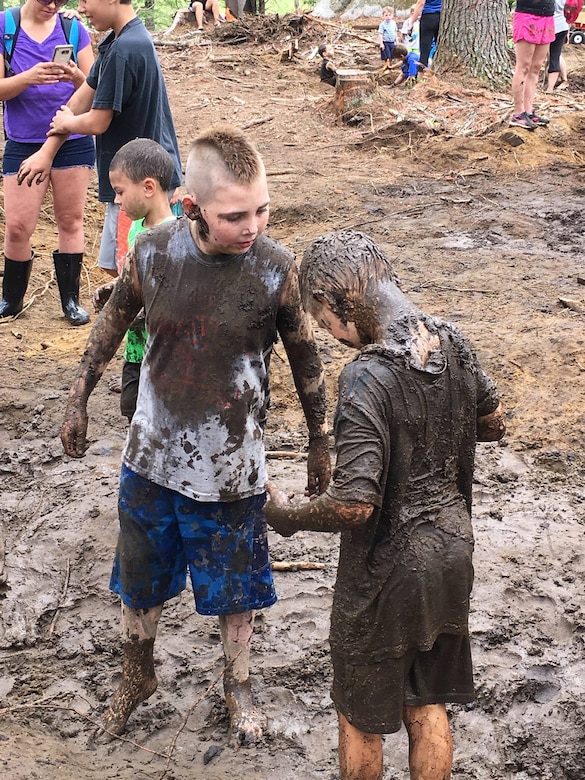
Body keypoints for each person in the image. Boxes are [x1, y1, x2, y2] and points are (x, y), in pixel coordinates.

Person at [59, 124, 331, 744]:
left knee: (237, 588)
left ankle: (237, 684)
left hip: (233, 465)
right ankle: (137, 675)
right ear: (191, 209)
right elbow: (112, 319)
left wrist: (320, 439)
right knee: (139, 576)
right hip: (151, 455)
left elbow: (304, 357)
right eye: (235, 215)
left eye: (262, 208)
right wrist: (77, 396)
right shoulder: (153, 252)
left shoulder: (275, 267)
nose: (253, 225)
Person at [264, 229, 506, 780]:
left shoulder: (367, 374)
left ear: (331, 303)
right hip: (452, 552)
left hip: (386, 573)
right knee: (427, 701)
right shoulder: (453, 340)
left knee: (358, 715)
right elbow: (493, 420)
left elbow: (353, 505)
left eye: (324, 324)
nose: (332, 335)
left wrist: (281, 515)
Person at [16, 0, 182, 280]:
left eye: (85, 0)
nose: (80, 8)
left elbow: (96, 120)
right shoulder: (116, 42)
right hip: (132, 181)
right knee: (115, 266)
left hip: (141, 185)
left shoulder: (125, 50)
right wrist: (48, 151)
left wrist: (68, 122)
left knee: (138, 273)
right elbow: (83, 98)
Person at [0, 0, 95, 324]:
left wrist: (75, 77)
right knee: (17, 227)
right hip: (23, 141)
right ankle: (11, 299)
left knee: (70, 220)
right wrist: (28, 77)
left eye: (61, 0)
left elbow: (93, 88)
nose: (53, 5)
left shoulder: (73, 28)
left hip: (73, 139)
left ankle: (70, 300)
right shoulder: (5, 27)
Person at [93, 139, 178, 422]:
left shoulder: (177, 236)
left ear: (148, 187)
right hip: (135, 349)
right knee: (131, 410)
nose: (116, 200)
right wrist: (115, 290)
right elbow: (133, 279)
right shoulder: (135, 228)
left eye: (119, 192)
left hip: (166, 353)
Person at [510, 0, 555, 129]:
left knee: (536, 67)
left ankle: (528, 111)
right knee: (523, 66)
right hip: (527, 13)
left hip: (547, 15)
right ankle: (518, 113)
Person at [407, 0, 442, 70]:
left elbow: (421, 3)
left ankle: (421, 77)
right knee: (440, 47)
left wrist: (411, 23)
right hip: (441, 17)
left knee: (424, 52)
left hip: (428, 17)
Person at [547, 0, 569, 92]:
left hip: (551, 27)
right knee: (555, 55)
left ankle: (550, 87)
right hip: (562, 26)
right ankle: (562, 81)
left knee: (552, 56)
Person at [378, 6, 398, 70]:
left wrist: (397, 40)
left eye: (390, 15)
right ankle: (386, 64)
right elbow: (380, 34)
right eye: (386, 15)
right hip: (385, 42)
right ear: (383, 16)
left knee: (392, 54)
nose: (388, 17)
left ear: (392, 15)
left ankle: (390, 65)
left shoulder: (393, 23)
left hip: (392, 42)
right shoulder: (382, 25)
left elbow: (395, 32)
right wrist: (381, 43)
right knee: (387, 54)